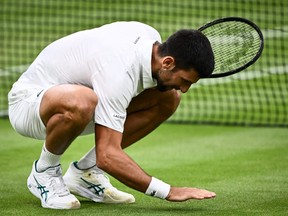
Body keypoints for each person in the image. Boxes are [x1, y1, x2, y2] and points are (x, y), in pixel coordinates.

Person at [8, 21, 216, 209]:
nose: (185, 88)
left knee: (169, 97)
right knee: (83, 100)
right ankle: (44, 172)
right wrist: (168, 191)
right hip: (29, 105)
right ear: (168, 62)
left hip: (82, 101)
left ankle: (85, 174)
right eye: (185, 81)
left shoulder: (150, 39)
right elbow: (108, 155)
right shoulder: (118, 72)